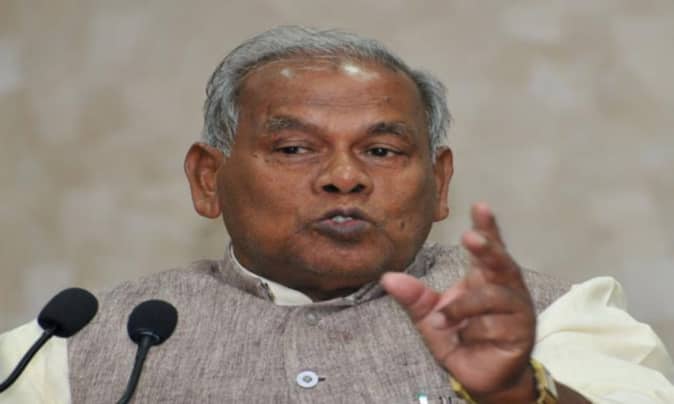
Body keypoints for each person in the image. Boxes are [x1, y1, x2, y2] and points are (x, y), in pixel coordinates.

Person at [1, 25, 672, 403]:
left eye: (381, 150)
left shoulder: (556, 321)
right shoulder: (67, 350)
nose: (345, 177)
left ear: (439, 183)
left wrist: (516, 396)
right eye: (294, 148)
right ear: (209, 179)